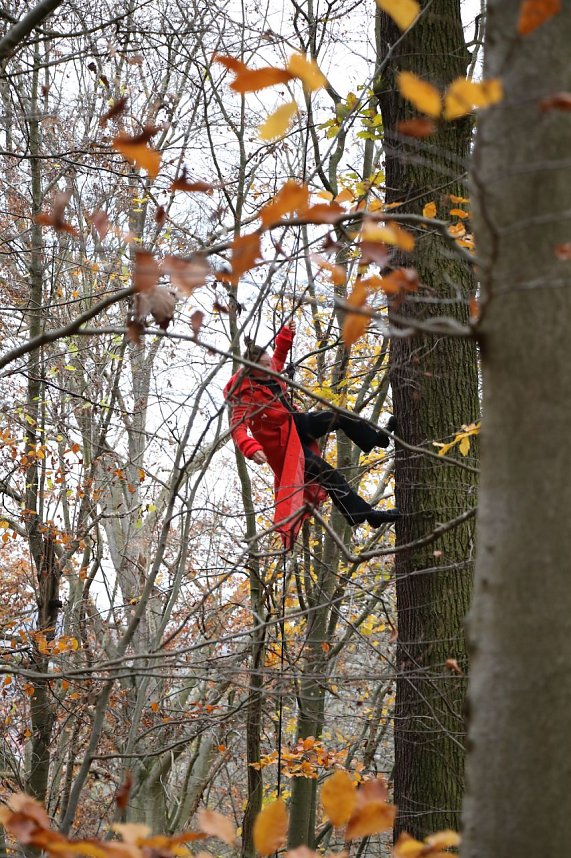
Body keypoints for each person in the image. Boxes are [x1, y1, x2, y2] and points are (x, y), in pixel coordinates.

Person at [224, 321, 399, 548]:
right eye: (264, 367)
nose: (270, 369)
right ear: (252, 370)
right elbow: (237, 427)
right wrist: (251, 448)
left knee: (338, 416)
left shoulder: (270, 368)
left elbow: (279, 355)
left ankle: (376, 440)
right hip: (287, 450)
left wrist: (286, 334)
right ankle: (367, 515)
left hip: (295, 424)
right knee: (328, 474)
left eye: (269, 364)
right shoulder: (244, 394)